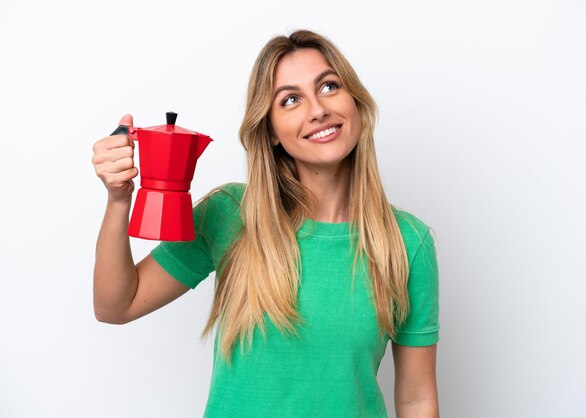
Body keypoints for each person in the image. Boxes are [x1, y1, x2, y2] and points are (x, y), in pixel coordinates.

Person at [92, 30, 440, 418]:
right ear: (271, 131)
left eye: (328, 86)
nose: (317, 109)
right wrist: (118, 200)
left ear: (355, 103)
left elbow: (416, 399)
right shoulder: (229, 214)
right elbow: (115, 306)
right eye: (291, 99)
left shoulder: (408, 242)